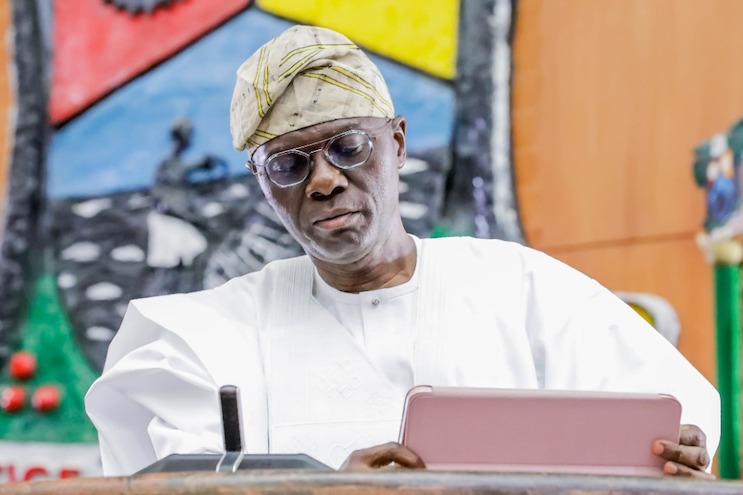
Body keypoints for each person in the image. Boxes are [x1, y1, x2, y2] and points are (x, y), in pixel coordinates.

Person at [85, 25, 720, 478]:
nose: (324, 179)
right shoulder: (201, 340)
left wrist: (677, 455)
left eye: (347, 147)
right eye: (288, 164)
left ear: (398, 143)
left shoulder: (523, 289)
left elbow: (667, 428)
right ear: (262, 186)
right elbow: (164, 481)